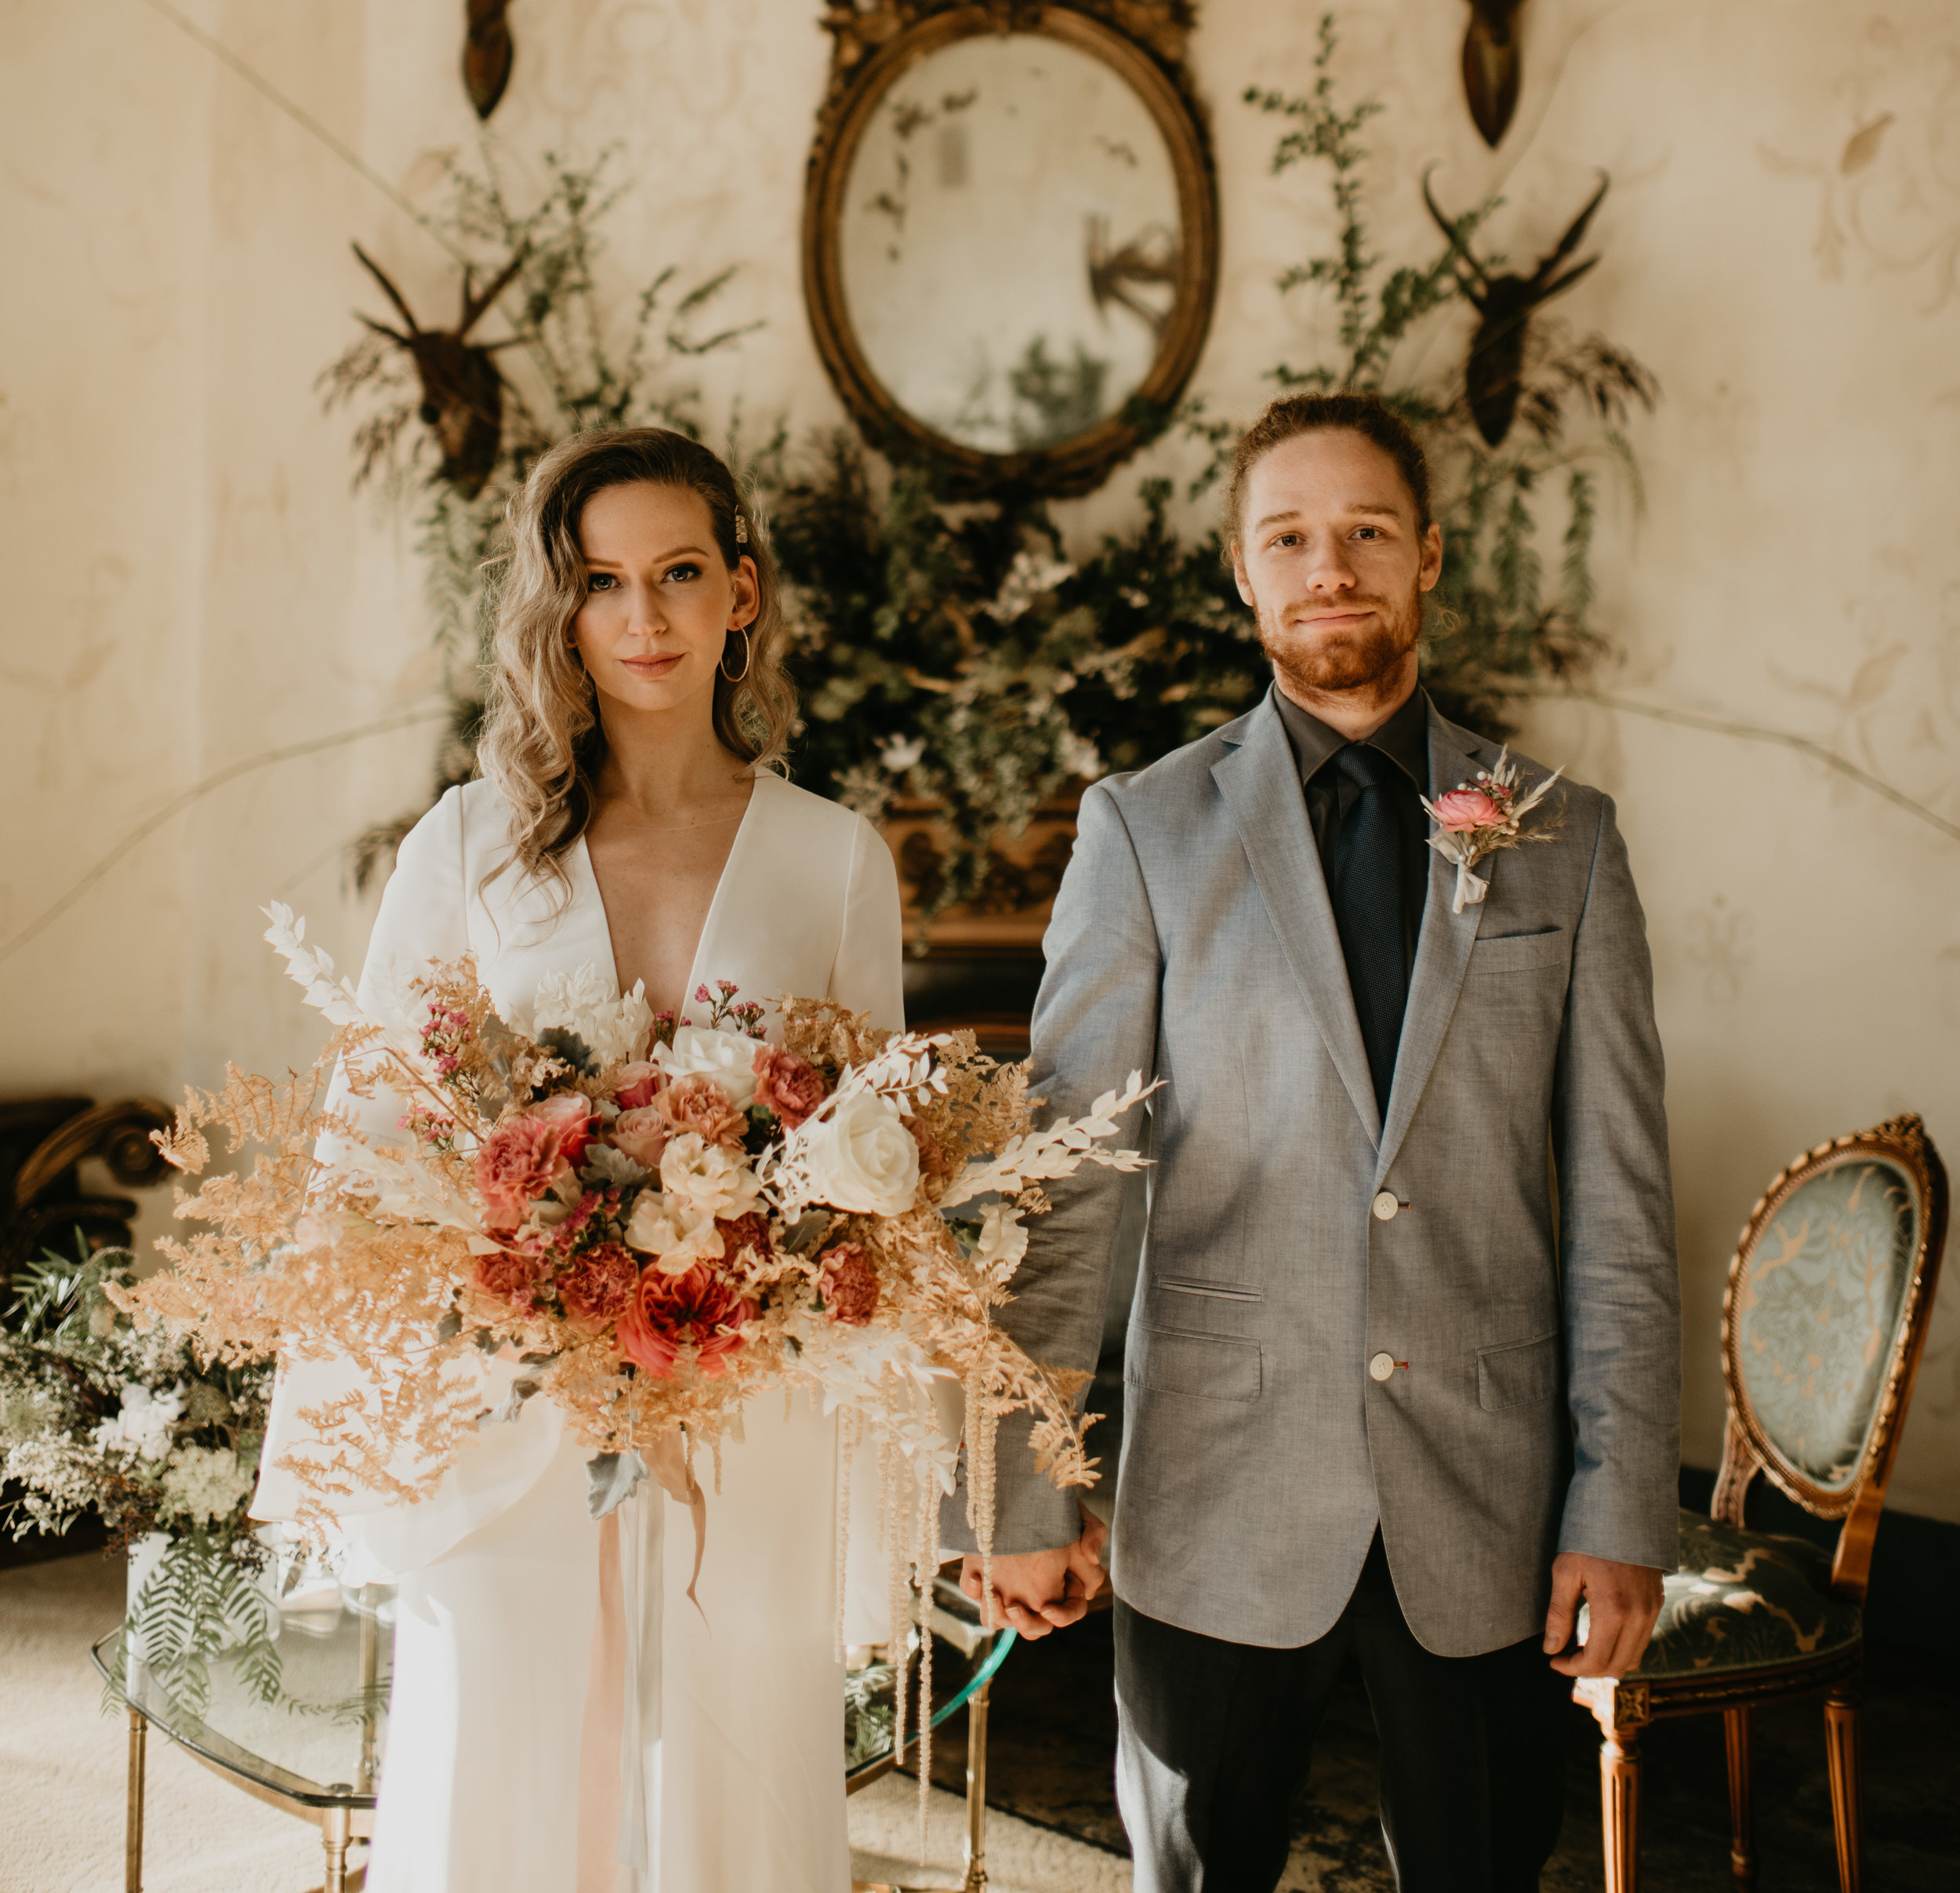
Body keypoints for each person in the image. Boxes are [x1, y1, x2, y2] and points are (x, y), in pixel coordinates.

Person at [956, 391, 1679, 1893]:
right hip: (1213, 1493)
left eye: (1363, 531)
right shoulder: (1142, 831)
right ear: (1243, 570)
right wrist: (1027, 1490)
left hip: (1486, 1503)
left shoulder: (1566, 834)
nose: (1328, 564)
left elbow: (1618, 1201)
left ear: (1427, 556)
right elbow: (1066, 1188)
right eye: (1289, 536)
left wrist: (1619, 1510)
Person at [256, 425, 903, 1893]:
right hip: (507, 1401)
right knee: (508, 1745)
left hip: (746, 1403)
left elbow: (880, 1165)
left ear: (742, 592)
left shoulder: (833, 855)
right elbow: (373, 1137)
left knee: (733, 1759)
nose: (645, 617)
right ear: (562, 611)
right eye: (603, 581)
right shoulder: (472, 847)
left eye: (680, 573)